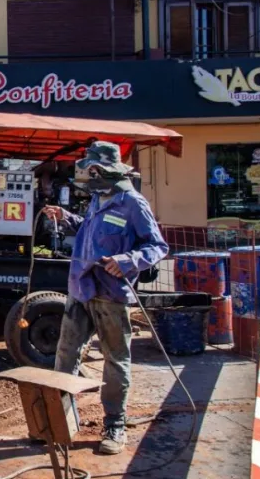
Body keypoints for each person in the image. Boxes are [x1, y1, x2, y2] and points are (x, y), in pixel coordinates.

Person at [41, 141, 168, 455]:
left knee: (115, 361)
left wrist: (127, 261)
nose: (90, 174)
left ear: (109, 170)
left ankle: (115, 424)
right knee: (65, 356)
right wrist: (66, 217)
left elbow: (157, 246)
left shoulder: (133, 203)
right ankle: (62, 422)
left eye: (95, 168)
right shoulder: (97, 200)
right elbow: (89, 230)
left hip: (110, 294)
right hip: (80, 288)